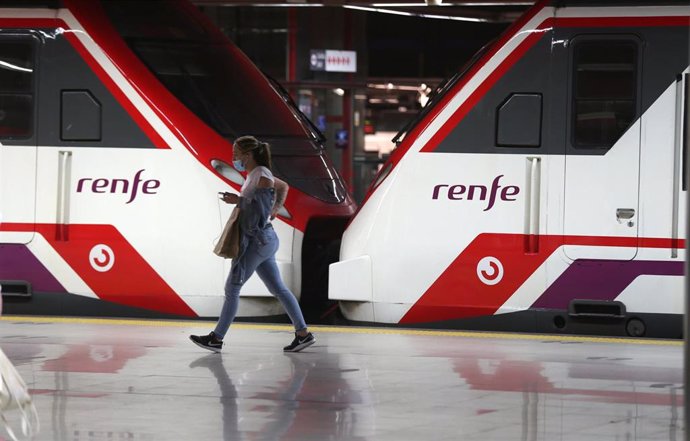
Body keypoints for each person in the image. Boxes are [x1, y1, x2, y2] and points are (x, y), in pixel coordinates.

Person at [190, 135, 315, 353]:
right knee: (278, 288)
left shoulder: (261, 176)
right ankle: (303, 334)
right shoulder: (258, 174)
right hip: (265, 239)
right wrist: (276, 209)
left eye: (236, 152)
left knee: (232, 287)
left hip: (256, 240)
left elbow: (260, 209)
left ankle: (216, 338)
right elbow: (283, 187)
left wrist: (240, 201)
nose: (233, 157)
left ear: (248, 155)